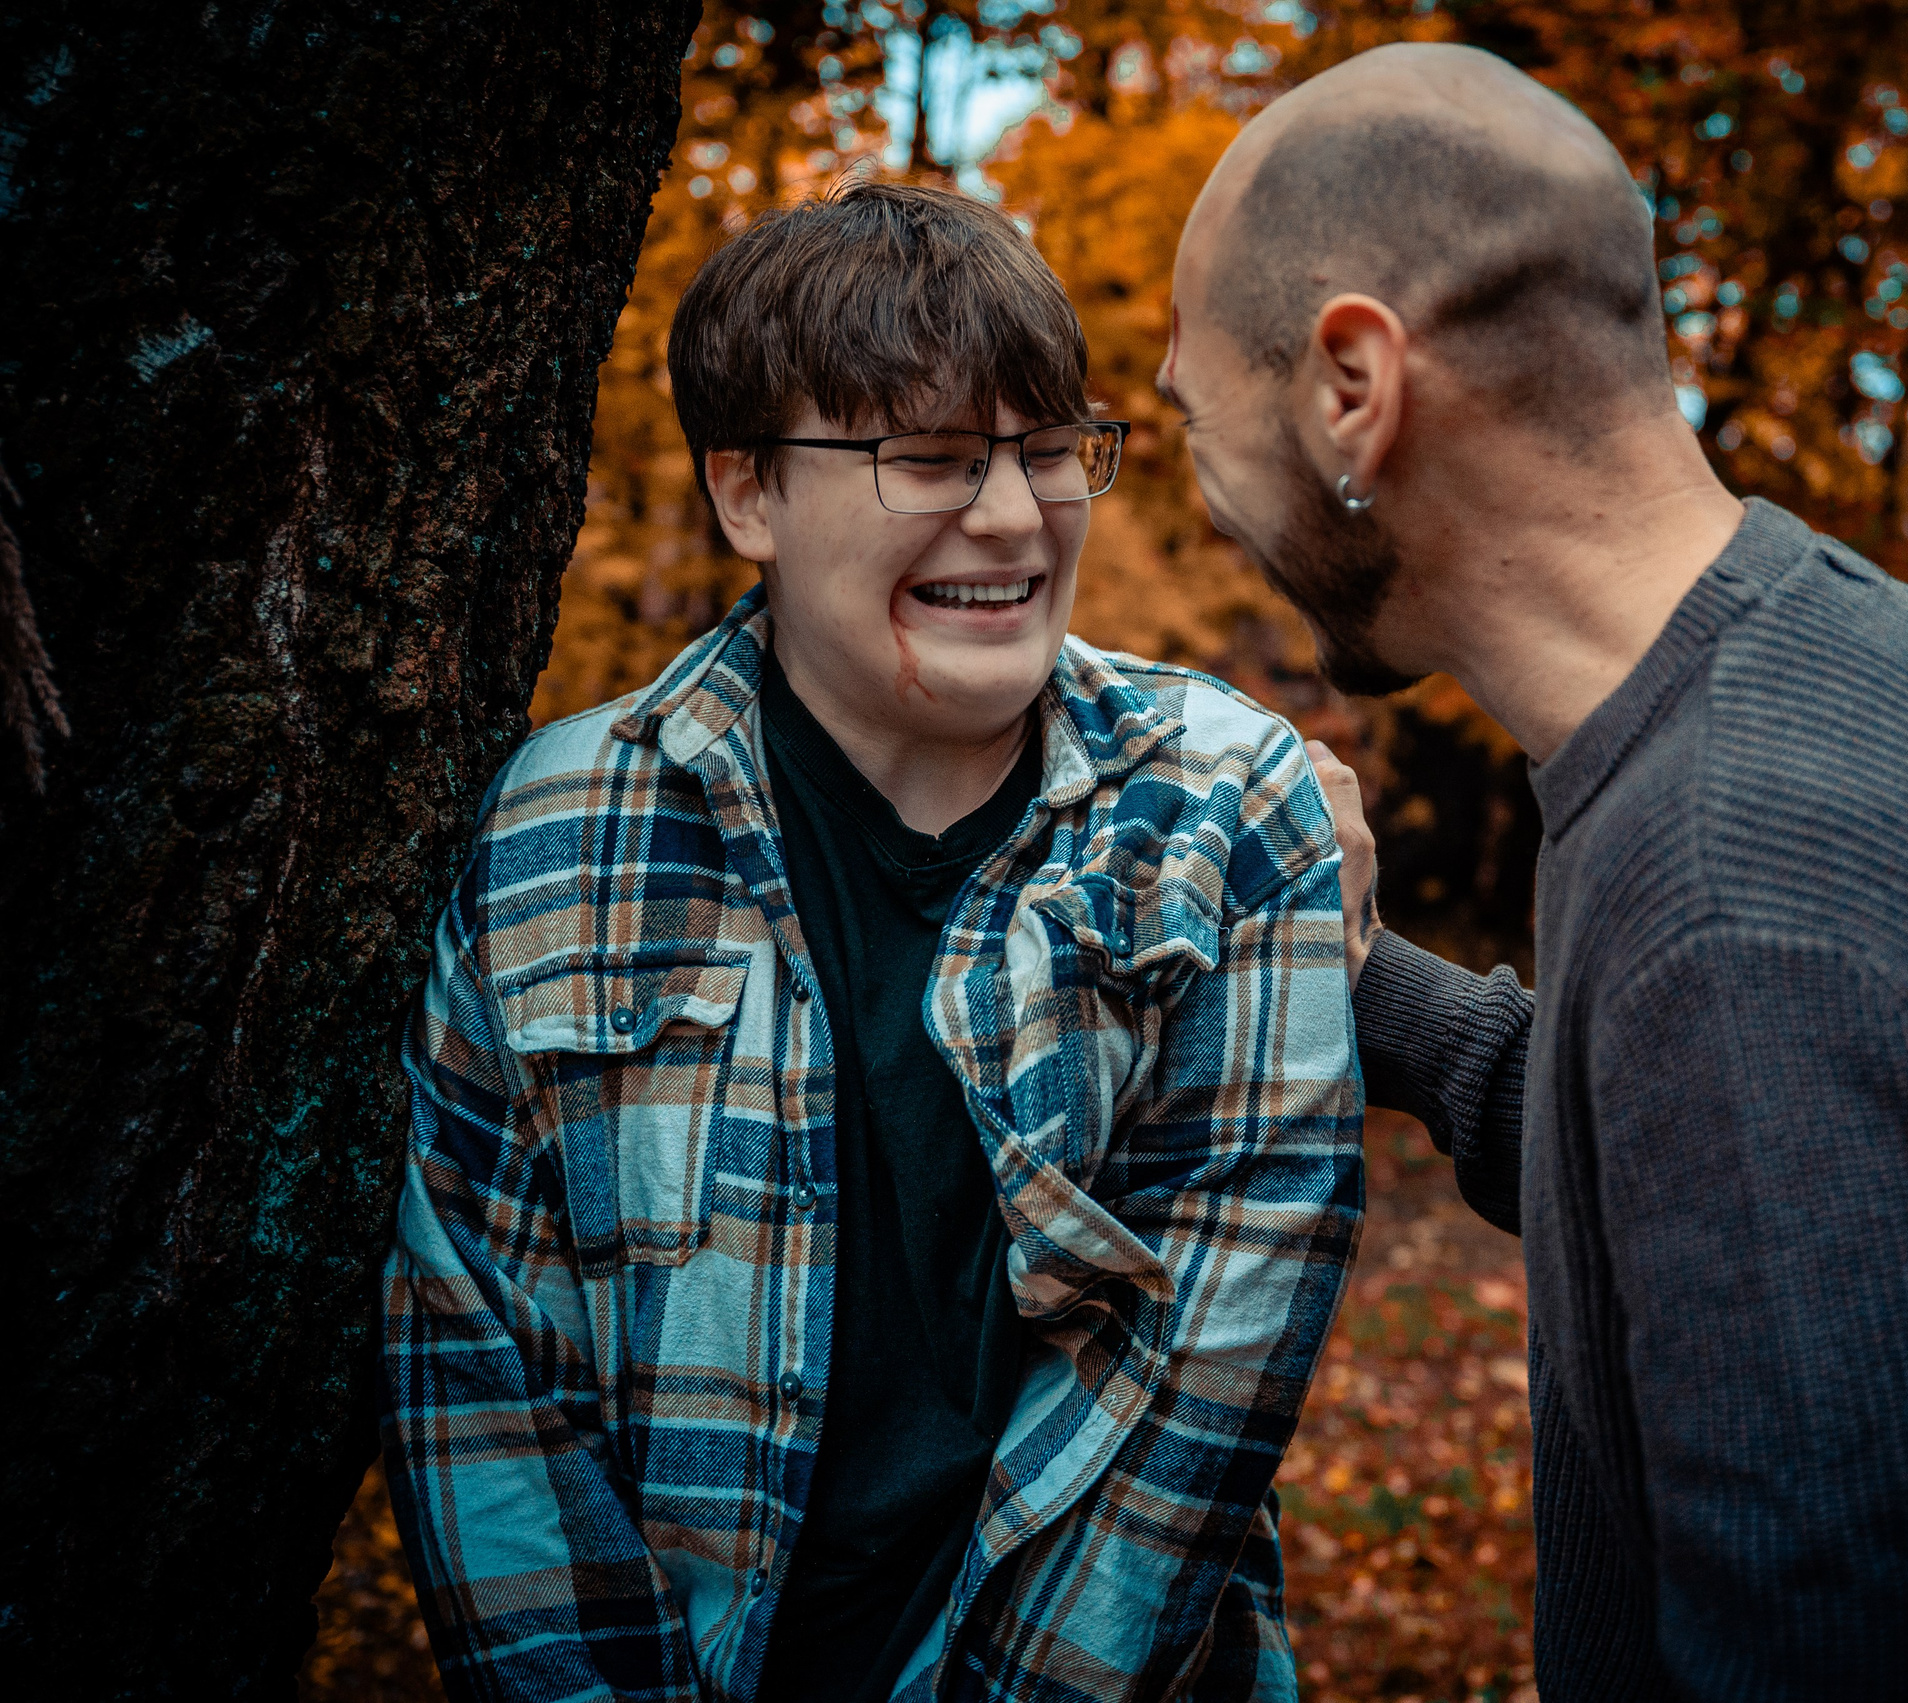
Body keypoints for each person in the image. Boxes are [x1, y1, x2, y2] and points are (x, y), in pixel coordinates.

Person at [1162, 42, 1908, 1701]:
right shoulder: (1839, 671)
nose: (1204, 493)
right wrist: (1373, 989)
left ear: (1353, 385)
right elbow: (1716, 1188)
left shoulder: (1757, 908)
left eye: (1191, 413)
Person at [378, 182, 1363, 1702]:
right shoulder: (557, 836)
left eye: (1050, 450)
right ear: (747, 494)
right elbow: (480, 1381)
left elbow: (1204, 1389)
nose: (1015, 515)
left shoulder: (1222, 808)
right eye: (932, 459)